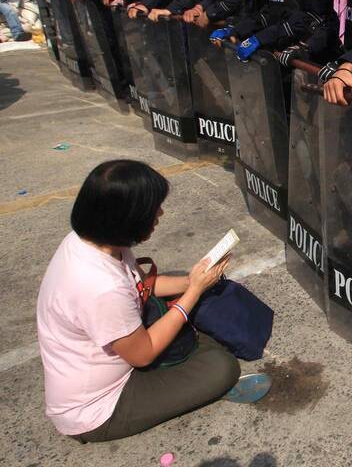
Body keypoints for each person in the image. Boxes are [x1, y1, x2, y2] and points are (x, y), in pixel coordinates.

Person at [36, 160, 239, 442]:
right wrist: (192, 294)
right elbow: (142, 353)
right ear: (126, 217)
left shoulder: (95, 241)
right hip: (101, 407)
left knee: (201, 324)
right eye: (153, 208)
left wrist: (194, 280)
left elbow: (142, 286)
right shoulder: (99, 286)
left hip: (120, 363)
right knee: (222, 368)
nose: (160, 213)